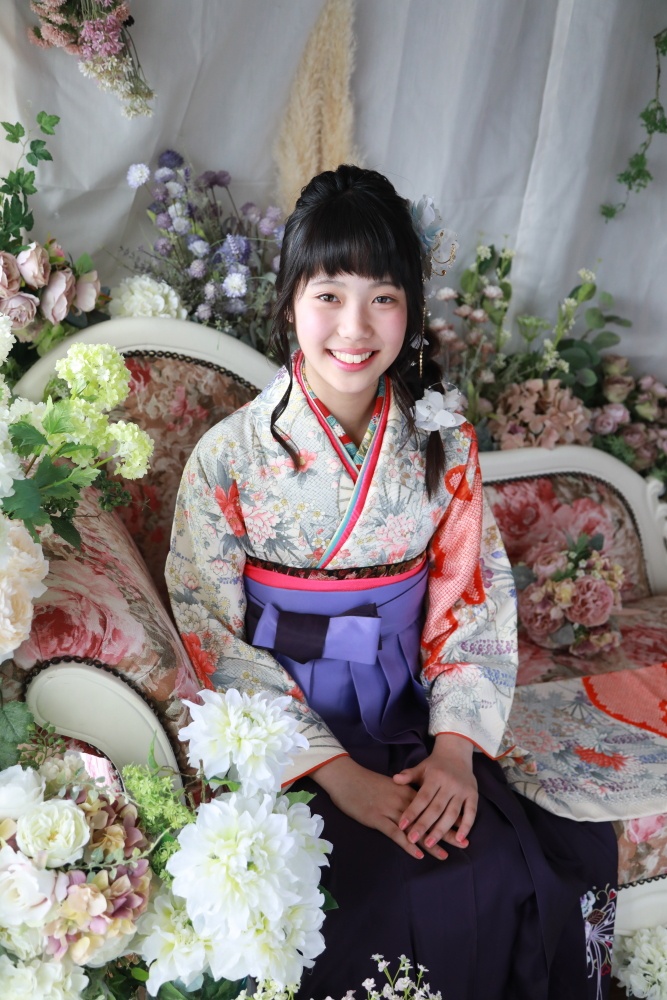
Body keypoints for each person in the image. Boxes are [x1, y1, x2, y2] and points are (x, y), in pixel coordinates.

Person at [166, 165, 617, 1000]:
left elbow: (471, 606)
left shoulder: (442, 444)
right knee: (372, 895)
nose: (354, 326)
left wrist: (452, 752)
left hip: (411, 715)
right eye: (328, 295)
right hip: (284, 737)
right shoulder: (228, 458)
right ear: (289, 303)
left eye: (382, 297)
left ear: (410, 311)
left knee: (517, 858)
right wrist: (335, 773)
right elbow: (206, 631)